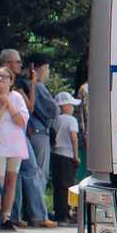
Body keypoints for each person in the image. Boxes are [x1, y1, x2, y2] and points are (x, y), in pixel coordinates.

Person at [18, 56, 58, 228]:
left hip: (28, 130)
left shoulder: (23, 84)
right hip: (39, 130)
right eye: (47, 68)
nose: (48, 72)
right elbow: (52, 110)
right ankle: (38, 212)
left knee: (24, 173)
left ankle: (26, 211)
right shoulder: (39, 87)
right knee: (39, 172)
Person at [0, 65, 29, 231]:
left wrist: (9, 104)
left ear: (11, 81)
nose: (1, 79)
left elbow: (21, 121)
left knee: (11, 181)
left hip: (15, 144)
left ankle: (6, 215)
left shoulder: (17, 98)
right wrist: (2, 105)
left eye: (5, 77)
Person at [52, 87, 82, 221]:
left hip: (55, 154)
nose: (73, 108)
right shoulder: (71, 120)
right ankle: (66, 213)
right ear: (64, 107)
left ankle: (58, 210)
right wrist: (76, 156)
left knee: (57, 184)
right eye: (71, 105)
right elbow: (73, 138)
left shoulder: (54, 119)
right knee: (68, 185)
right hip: (68, 155)